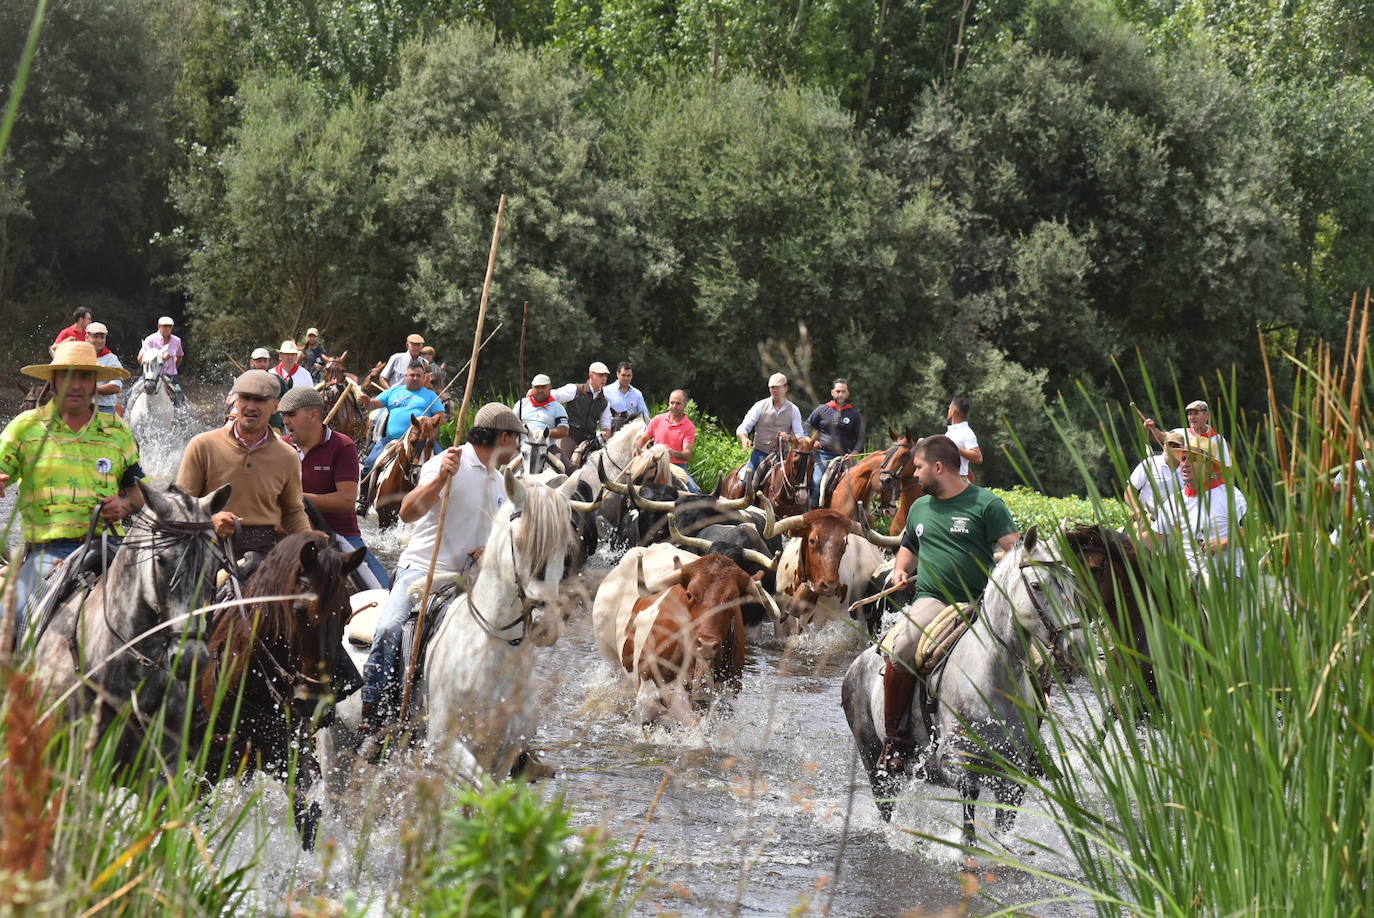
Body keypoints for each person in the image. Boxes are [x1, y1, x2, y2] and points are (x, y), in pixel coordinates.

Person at [358, 402, 524, 733]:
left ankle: (507, 724)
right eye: (516, 439)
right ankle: (374, 713)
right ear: (504, 436)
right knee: (391, 626)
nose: (518, 447)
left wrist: (491, 550)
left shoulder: (501, 478)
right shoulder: (447, 461)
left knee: (516, 630)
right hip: (425, 571)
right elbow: (407, 512)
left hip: (474, 579)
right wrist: (440, 480)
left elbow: (504, 531)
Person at [876, 435, 1020, 773]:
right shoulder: (919, 508)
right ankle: (896, 742)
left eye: (920, 468)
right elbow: (910, 544)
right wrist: (900, 569)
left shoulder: (987, 504)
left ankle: (1030, 747)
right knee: (902, 646)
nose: (915, 475)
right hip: (934, 601)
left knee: (1036, 656)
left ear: (939, 467)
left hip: (981, 604)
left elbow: (1016, 550)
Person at [0, 342, 141, 641]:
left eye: (85, 377)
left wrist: (125, 506)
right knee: (9, 619)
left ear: (94, 384)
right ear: (53, 381)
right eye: (67, 376)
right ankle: (17, 686)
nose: (76, 385)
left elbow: (139, 493)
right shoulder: (25, 428)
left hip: (112, 551)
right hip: (49, 555)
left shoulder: (117, 430)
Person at [176, 369, 310, 556]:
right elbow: (181, 503)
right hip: (209, 545)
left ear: (275, 406)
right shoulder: (203, 445)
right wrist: (209, 521)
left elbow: (293, 512)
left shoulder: (287, 456)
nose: (251, 406)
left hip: (264, 550)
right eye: (245, 398)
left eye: (260, 400)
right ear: (235, 402)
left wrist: (310, 546)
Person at [279, 386, 391, 589]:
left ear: (313, 415)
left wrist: (298, 498)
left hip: (338, 533)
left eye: (291, 415)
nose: (285, 421)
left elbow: (346, 502)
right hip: (289, 530)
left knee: (381, 590)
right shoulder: (281, 447)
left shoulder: (342, 446)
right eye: (283, 416)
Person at [1138, 434, 1246, 583]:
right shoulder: (1175, 501)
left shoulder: (1230, 494)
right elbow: (1155, 538)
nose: (1185, 464)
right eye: (1183, 459)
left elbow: (1251, 532)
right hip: (1192, 585)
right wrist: (1116, 543)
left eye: (1193, 459)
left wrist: (1222, 544)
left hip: (1227, 580)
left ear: (1208, 466)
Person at [361, 361, 445, 480]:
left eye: (418, 375)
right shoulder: (393, 391)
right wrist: (368, 402)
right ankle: (364, 496)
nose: (415, 378)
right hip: (393, 439)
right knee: (369, 464)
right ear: (406, 376)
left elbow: (440, 417)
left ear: (423, 377)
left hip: (422, 441)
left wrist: (427, 421)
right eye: (412, 375)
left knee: (442, 465)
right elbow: (373, 406)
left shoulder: (431, 395)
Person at [736, 372, 805, 485]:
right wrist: (744, 438)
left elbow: (800, 436)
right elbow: (744, 427)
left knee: (799, 482)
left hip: (783, 457)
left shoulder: (793, 410)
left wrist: (789, 437)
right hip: (761, 454)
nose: (774, 390)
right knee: (746, 482)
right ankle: (742, 501)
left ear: (786, 388)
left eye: (778, 387)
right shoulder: (760, 406)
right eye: (772, 388)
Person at [806, 378, 865, 506]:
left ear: (848, 393)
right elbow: (806, 426)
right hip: (822, 456)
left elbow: (861, 439)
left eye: (843, 391)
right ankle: (812, 513)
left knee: (859, 485)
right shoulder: (822, 409)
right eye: (838, 391)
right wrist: (810, 442)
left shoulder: (854, 414)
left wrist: (854, 453)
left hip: (845, 458)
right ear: (832, 392)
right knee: (816, 482)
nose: (840, 394)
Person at [637, 389, 700, 492]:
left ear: (685, 405)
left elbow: (687, 454)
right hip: (654, 464)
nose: (674, 406)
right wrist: (637, 452)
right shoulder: (658, 419)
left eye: (678, 403)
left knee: (693, 492)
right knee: (631, 480)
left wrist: (672, 453)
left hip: (676, 466)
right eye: (672, 403)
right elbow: (644, 439)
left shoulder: (689, 427)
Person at [553, 361, 612, 467]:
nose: (604, 378)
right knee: (561, 465)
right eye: (600, 375)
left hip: (590, 440)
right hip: (570, 435)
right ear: (591, 375)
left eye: (605, 376)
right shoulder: (575, 390)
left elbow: (606, 425)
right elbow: (554, 396)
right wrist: (538, 393)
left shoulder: (605, 402)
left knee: (603, 467)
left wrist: (606, 432)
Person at [1142, 399, 1232, 468]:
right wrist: (1152, 428)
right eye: (1189, 414)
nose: (1192, 417)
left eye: (1196, 413)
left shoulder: (1218, 440)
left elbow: (1226, 468)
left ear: (1206, 416)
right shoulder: (1179, 433)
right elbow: (1160, 437)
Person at [1125, 442, 1180, 527]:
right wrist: (1136, 509)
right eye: (1170, 445)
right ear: (1164, 446)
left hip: (1175, 524)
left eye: (1177, 446)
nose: (1172, 448)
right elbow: (1130, 491)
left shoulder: (1188, 468)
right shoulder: (1149, 463)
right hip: (1146, 519)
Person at [139, 317, 187, 409]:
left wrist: (174, 367)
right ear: (159, 326)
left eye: (170, 327)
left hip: (170, 375)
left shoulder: (176, 340)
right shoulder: (150, 339)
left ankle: (181, 418)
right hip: (152, 375)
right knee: (132, 391)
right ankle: (127, 412)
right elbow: (140, 357)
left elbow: (180, 356)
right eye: (165, 326)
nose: (168, 329)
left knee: (180, 393)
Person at [513, 374, 570, 443]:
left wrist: (546, 433)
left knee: (561, 454)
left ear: (550, 387)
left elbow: (564, 431)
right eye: (537, 387)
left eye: (543, 387)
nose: (540, 390)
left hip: (547, 447)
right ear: (532, 388)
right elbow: (511, 424)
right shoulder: (521, 403)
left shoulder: (557, 408)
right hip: (521, 445)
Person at [83, 323, 125, 415]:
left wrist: (91, 390)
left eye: (102, 337)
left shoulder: (111, 359)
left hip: (104, 409)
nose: (99, 341)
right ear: (86, 337)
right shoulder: (78, 355)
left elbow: (116, 387)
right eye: (96, 337)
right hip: (79, 407)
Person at [944, 396, 982, 482]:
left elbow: (978, 457)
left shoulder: (967, 432)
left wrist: (955, 448)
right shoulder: (950, 432)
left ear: (953, 410)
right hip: (947, 479)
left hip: (958, 480)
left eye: (949, 408)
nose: (948, 410)